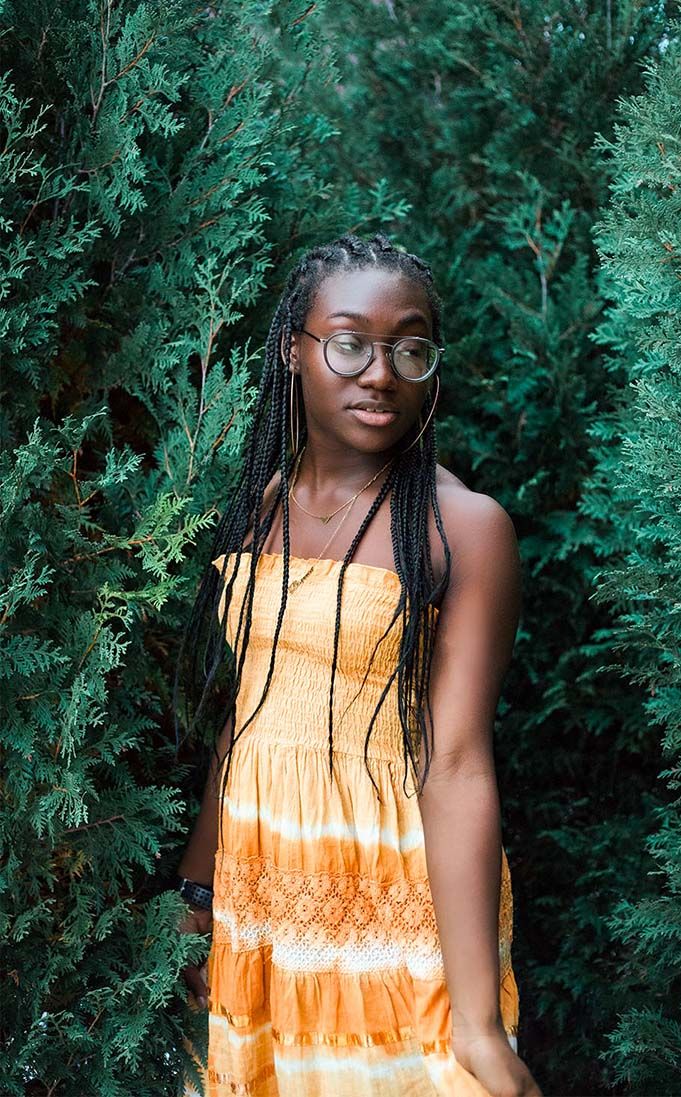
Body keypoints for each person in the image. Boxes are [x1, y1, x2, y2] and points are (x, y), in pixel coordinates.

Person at [174, 232, 543, 1097]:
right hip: (260, 898)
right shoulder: (256, 507)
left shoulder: (462, 528)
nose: (380, 373)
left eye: (409, 348)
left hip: (390, 905)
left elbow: (456, 766)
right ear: (291, 349)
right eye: (349, 343)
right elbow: (249, 720)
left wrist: (477, 1022)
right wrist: (197, 893)